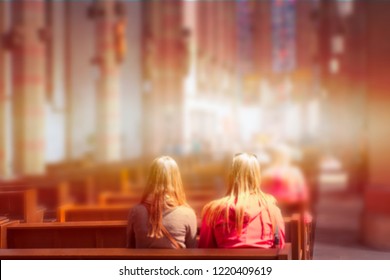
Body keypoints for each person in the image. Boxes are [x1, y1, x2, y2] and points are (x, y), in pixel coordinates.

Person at [199, 153, 285, 249]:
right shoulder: (272, 210)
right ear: (257, 176)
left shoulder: (213, 211)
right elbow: (280, 248)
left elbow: (205, 250)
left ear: (230, 176)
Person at [127, 156, 197, 248]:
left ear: (151, 178)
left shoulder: (136, 211)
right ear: (176, 179)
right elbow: (192, 251)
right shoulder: (188, 213)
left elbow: (130, 247)